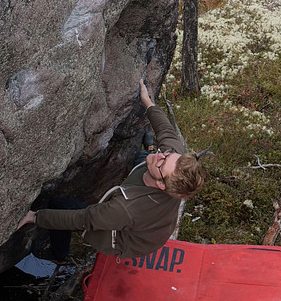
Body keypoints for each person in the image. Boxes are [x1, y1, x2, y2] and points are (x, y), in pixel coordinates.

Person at [17, 80, 206, 260]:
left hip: (127, 240)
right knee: (144, 156)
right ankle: (145, 153)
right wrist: (147, 102)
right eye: (166, 154)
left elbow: (84, 219)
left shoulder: (125, 209)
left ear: (162, 185)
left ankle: (59, 256)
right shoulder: (173, 161)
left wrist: (35, 217)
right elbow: (166, 130)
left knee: (58, 204)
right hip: (150, 218)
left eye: (162, 163)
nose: (160, 155)